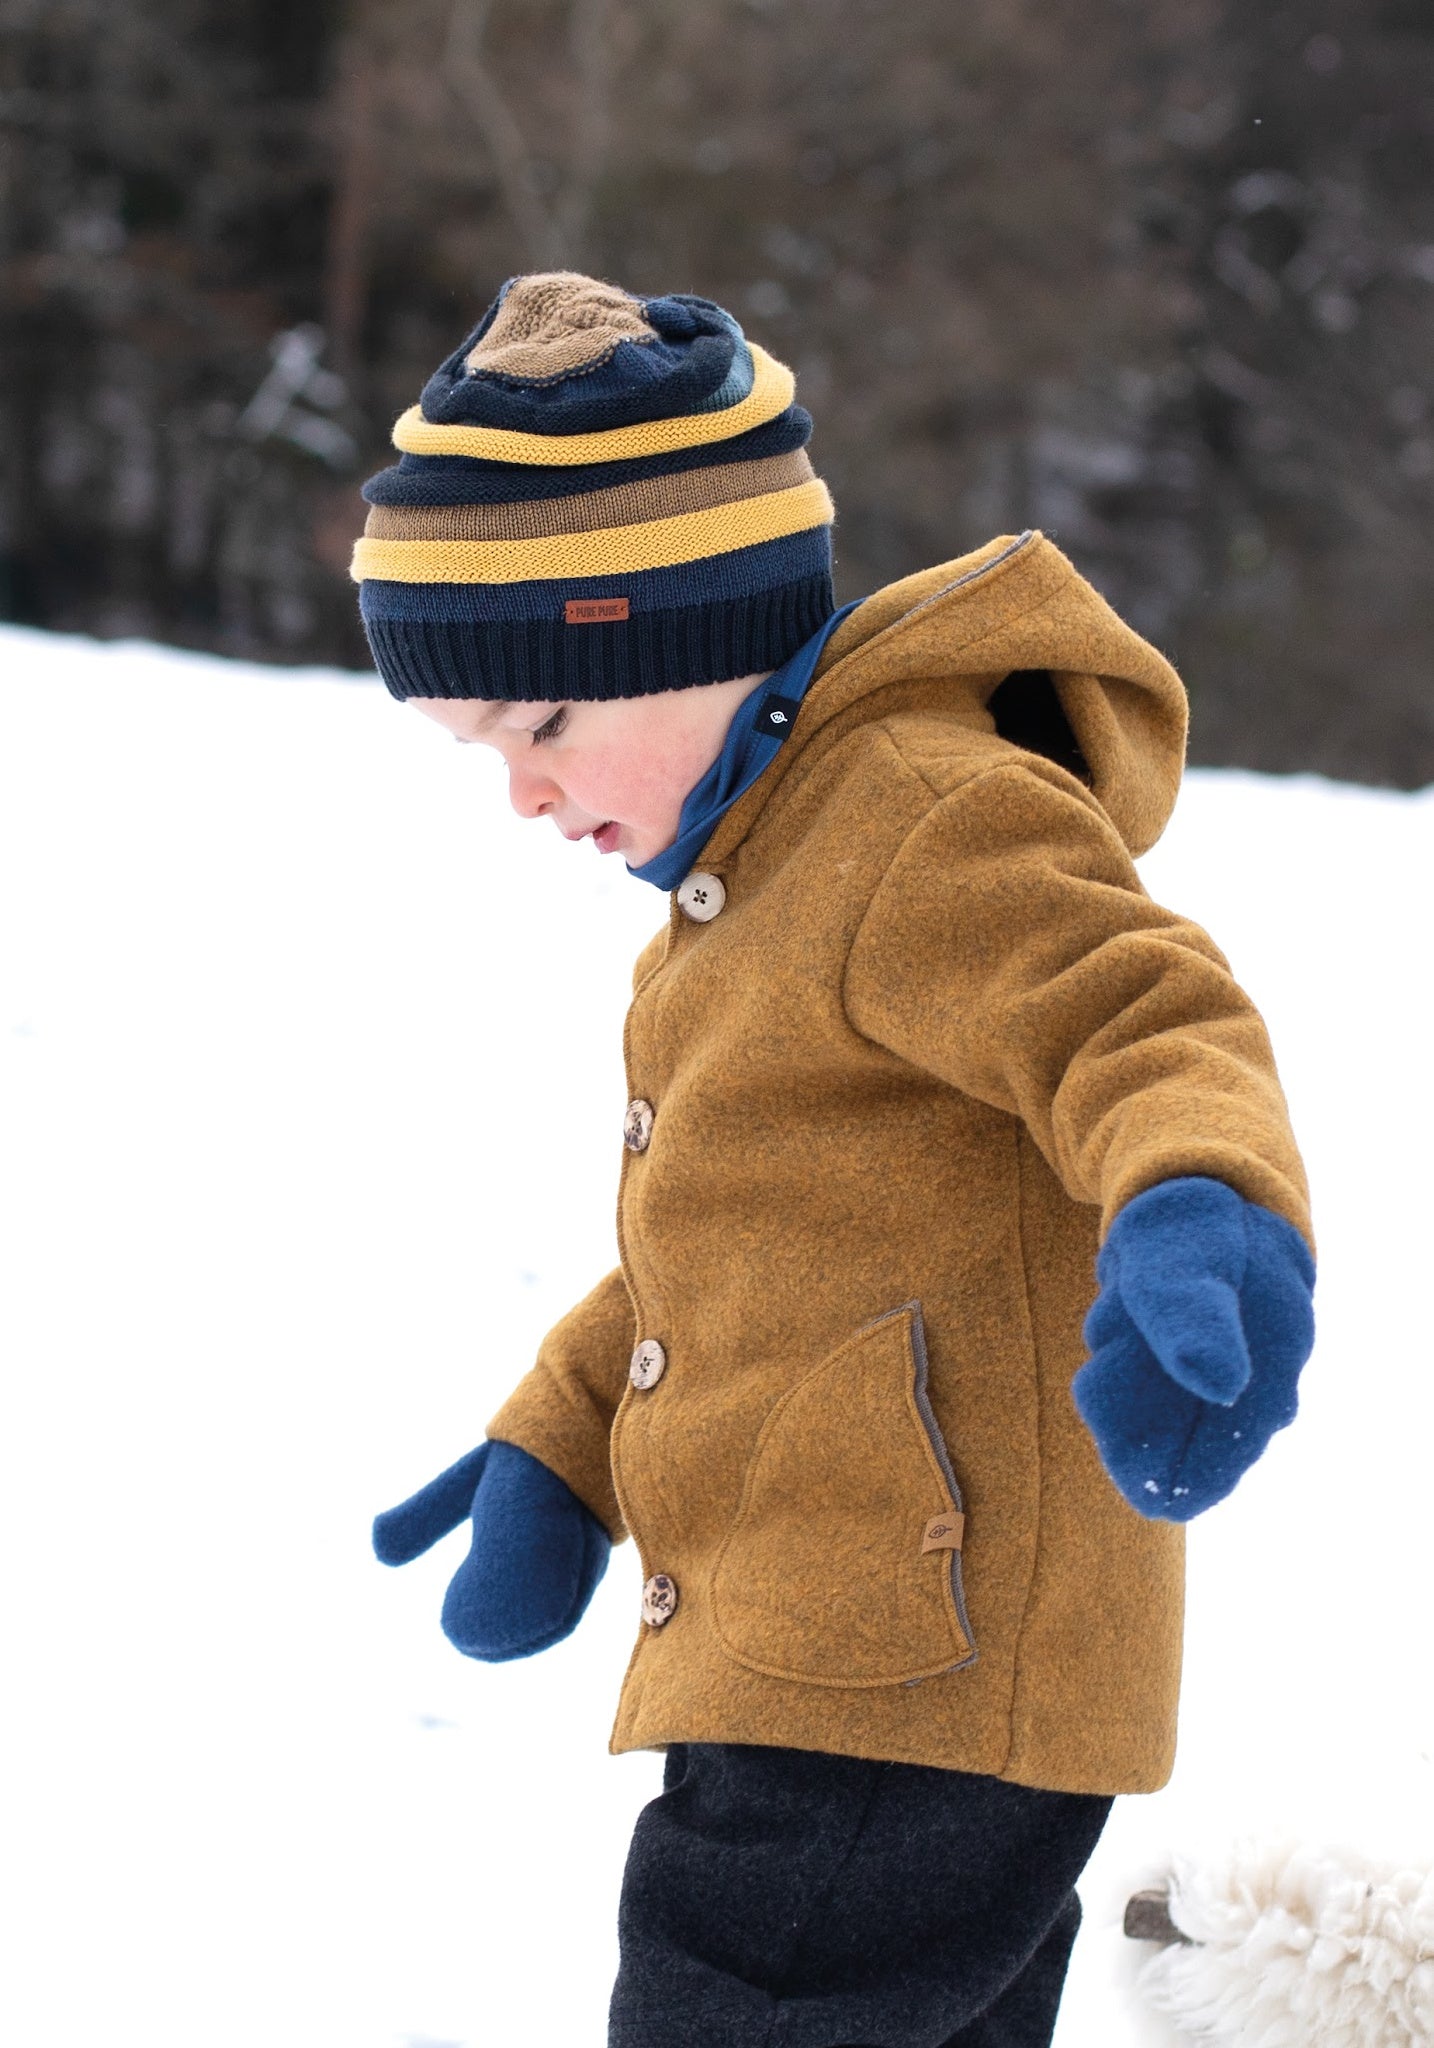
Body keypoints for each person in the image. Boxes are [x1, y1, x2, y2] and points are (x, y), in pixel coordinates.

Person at [356, 271, 1315, 2048]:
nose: (526, 798)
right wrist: (561, 1438)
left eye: (547, 727)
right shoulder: (749, 889)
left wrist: (1206, 1204)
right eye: (477, 753)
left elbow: (1146, 1022)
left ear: (682, 630)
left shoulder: (923, 818)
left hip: (897, 1663)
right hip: (874, 1659)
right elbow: (752, 1241)